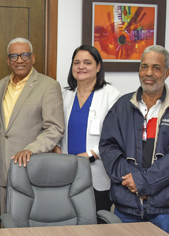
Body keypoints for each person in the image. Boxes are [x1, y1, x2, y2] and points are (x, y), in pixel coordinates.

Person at [99, 45, 169, 236]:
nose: (149, 73)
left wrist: (142, 181)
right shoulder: (121, 106)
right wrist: (133, 180)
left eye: (156, 68)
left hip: (165, 210)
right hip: (126, 206)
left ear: (167, 72)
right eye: (144, 67)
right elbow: (108, 147)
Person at [0, 37, 65, 214]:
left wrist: (31, 149)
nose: (19, 60)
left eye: (24, 55)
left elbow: (55, 128)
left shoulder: (49, 86)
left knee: (32, 225)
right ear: (8, 60)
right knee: (7, 223)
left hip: (32, 169)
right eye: (14, 56)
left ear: (33, 58)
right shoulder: (0, 86)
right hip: (5, 174)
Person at [53, 45, 120, 213]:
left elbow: (116, 137)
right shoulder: (64, 95)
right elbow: (55, 128)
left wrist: (90, 155)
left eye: (87, 62)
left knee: (95, 223)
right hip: (67, 172)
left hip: (97, 174)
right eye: (76, 62)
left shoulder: (112, 96)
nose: (81, 66)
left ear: (98, 66)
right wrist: (57, 150)